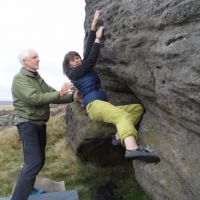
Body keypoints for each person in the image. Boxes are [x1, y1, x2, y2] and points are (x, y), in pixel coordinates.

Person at [62, 10, 160, 163]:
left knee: (137, 109)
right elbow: (91, 58)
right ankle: (132, 148)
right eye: (72, 60)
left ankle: (118, 136)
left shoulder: (83, 68)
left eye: (77, 58)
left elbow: (88, 50)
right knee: (122, 116)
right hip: (94, 106)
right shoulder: (74, 74)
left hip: (102, 104)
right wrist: (99, 39)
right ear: (68, 65)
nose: (76, 60)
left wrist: (94, 24)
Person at [11, 48, 79, 200]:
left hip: (39, 123)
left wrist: (73, 97)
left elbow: (52, 94)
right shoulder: (20, 78)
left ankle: (28, 189)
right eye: (34, 57)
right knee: (33, 162)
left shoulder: (36, 77)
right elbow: (34, 98)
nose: (38, 59)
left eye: (37, 56)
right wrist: (58, 93)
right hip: (27, 123)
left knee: (39, 161)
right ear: (25, 62)